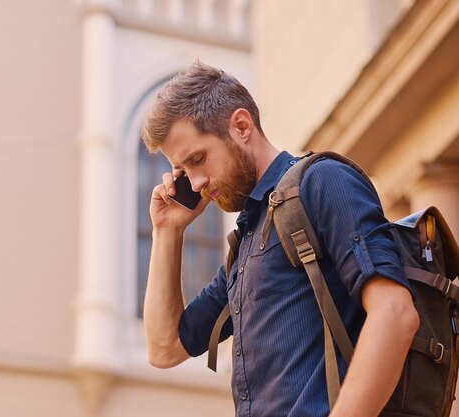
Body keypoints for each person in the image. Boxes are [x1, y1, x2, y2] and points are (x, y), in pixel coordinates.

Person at [140, 61, 419, 417]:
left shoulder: (321, 181)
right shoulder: (244, 246)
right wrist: (168, 230)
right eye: (184, 170)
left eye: (198, 160)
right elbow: (165, 349)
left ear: (241, 126)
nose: (195, 184)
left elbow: (395, 312)